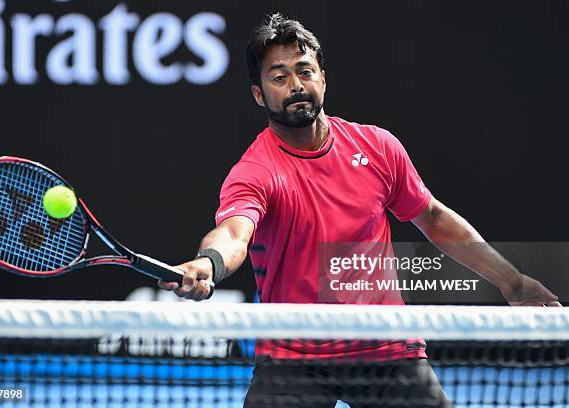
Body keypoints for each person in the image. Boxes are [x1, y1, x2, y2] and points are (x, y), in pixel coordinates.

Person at [158, 13, 561, 407]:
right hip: (294, 357)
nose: (296, 85)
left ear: (323, 78)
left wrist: (511, 281)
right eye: (279, 77)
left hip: (385, 348)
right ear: (259, 94)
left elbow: (435, 220)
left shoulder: (377, 147)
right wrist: (207, 263)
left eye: (305, 71)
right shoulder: (256, 171)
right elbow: (233, 233)